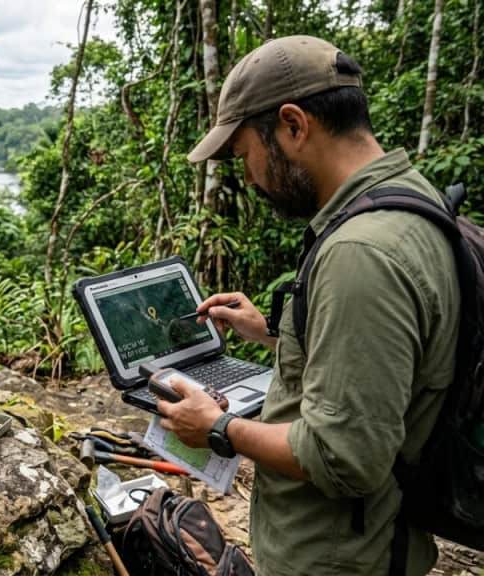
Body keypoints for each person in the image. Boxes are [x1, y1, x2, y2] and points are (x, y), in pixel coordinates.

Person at [158, 36, 459, 575]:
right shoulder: (410, 199)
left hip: (338, 558)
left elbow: (342, 455)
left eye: (245, 154)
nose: (248, 177)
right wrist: (275, 333)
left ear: (294, 125)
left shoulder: (360, 253)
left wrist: (219, 429)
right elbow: (388, 359)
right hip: (378, 542)